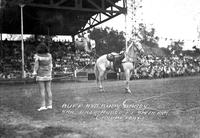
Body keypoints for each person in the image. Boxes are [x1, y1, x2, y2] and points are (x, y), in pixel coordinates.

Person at [32, 43, 53, 111]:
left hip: (40, 74)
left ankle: (43, 106)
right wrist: (50, 72)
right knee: (49, 90)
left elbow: (36, 65)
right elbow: (50, 65)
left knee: (42, 90)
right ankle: (50, 105)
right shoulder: (49, 55)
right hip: (48, 74)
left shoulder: (37, 55)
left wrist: (34, 72)